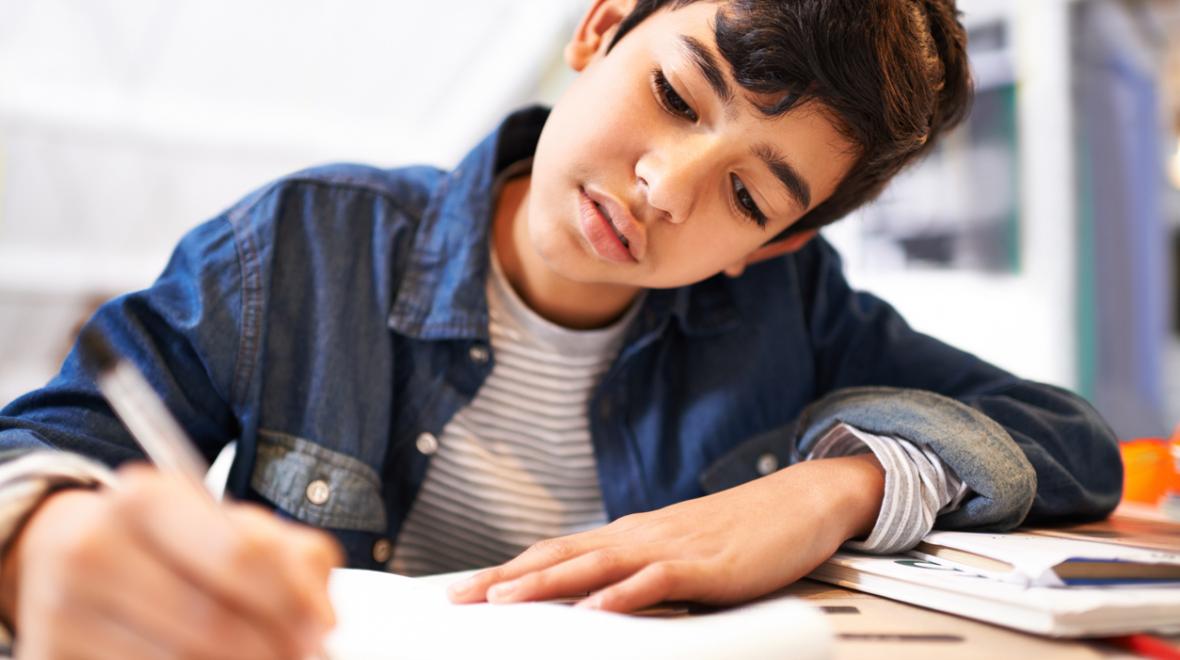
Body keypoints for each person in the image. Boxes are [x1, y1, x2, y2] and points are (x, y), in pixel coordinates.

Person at [0, 0, 1122, 657]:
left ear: (773, 245)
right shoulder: (301, 245)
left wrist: (829, 488)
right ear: (597, 27)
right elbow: (36, 453)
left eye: (749, 196)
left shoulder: (788, 306)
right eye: (679, 97)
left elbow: (1067, 437)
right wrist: (39, 540)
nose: (666, 186)